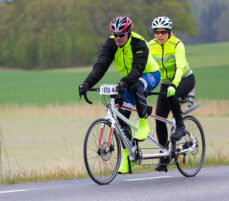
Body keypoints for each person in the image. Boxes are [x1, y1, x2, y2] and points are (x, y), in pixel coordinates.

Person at [78, 16, 160, 174]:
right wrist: (87, 83)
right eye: (115, 34)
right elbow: (101, 66)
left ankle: (143, 124)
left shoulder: (139, 43)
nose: (118, 38)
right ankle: (128, 157)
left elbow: (137, 70)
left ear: (128, 33)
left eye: (121, 35)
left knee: (136, 85)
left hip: (150, 74)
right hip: (129, 79)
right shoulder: (110, 44)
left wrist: (124, 82)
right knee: (121, 119)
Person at [148, 16, 195, 171]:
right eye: (157, 32)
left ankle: (180, 126)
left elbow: (181, 67)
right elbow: (145, 67)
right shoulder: (150, 46)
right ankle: (164, 156)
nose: (160, 35)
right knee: (159, 119)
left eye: (163, 32)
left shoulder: (177, 44)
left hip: (184, 79)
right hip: (165, 83)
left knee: (172, 95)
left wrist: (174, 85)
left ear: (169, 32)